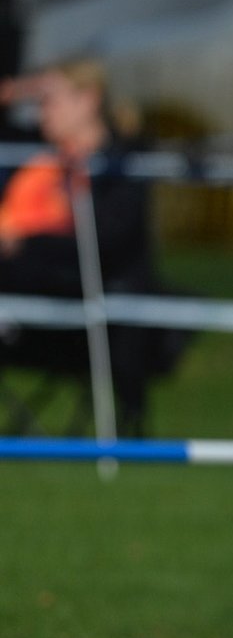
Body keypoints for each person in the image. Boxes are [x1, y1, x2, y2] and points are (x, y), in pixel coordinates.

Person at [0, 59, 186, 436]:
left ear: (88, 100)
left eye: (49, 100)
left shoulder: (122, 164)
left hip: (89, 308)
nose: (41, 111)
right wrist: (16, 92)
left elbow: (107, 243)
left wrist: (27, 243)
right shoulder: (35, 157)